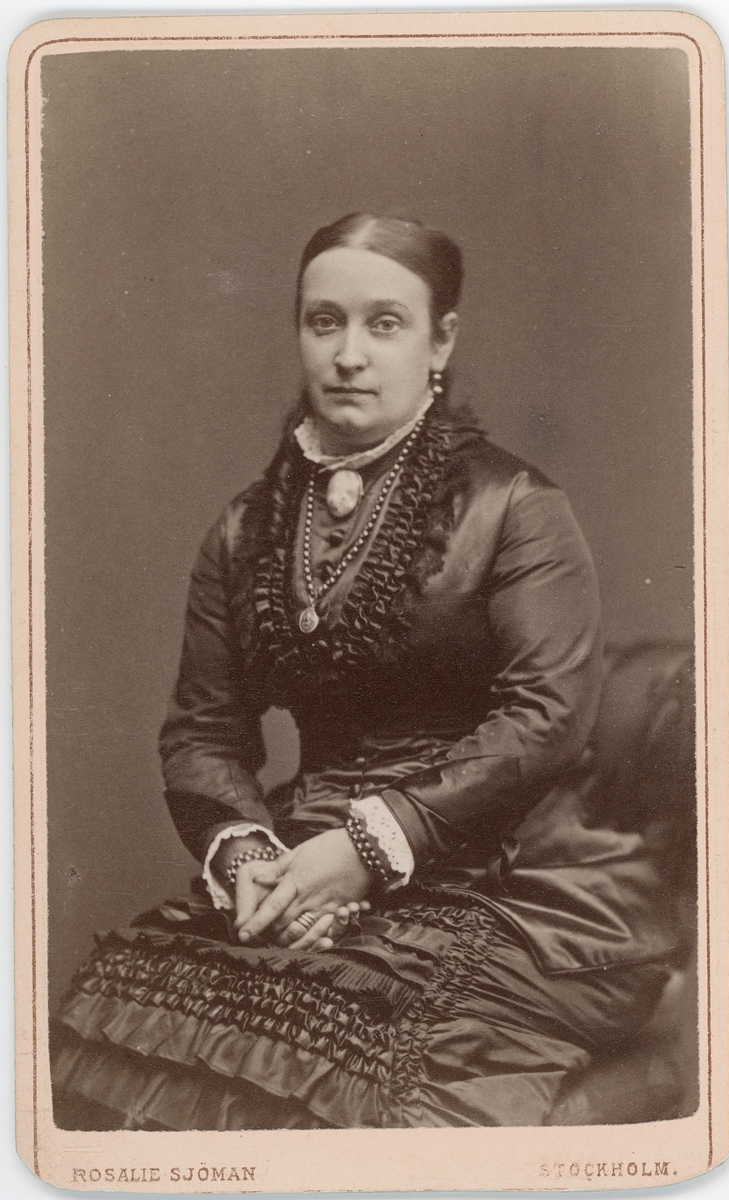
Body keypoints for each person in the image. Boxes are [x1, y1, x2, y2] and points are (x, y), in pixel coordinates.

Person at [51, 213, 678, 1130]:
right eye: (324, 322)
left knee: (378, 1076)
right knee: (111, 1023)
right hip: (304, 863)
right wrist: (249, 855)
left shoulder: (514, 506)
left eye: (384, 324)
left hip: (513, 873)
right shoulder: (246, 528)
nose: (348, 355)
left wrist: (367, 850)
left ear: (440, 341)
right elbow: (204, 730)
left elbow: (544, 717)